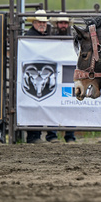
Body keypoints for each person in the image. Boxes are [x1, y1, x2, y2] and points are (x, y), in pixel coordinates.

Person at [23, 10, 51, 144]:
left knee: (36, 103)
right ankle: (33, 136)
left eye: (44, 22)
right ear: (33, 23)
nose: (42, 24)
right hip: (37, 73)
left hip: (38, 73)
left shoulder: (39, 35)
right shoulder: (31, 36)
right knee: (34, 103)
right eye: (39, 22)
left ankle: (35, 135)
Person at [51, 13, 76, 143]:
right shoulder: (52, 39)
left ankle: (70, 135)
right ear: (57, 24)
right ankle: (52, 134)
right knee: (53, 103)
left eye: (65, 23)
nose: (63, 25)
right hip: (56, 75)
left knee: (70, 105)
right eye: (61, 23)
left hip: (68, 73)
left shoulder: (73, 38)